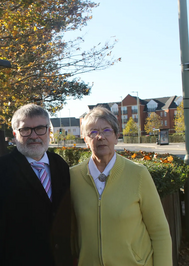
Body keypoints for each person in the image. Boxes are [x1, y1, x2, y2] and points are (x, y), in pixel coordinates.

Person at [70, 107, 172, 266]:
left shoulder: (138, 174)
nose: (100, 136)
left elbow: (159, 231)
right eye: (93, 132)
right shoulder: (73, 177)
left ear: (116, 137)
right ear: (85, 139)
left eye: (106, 130)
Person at [0, 103, 73, 266]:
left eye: (40, 128)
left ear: (49, 131)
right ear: (15, 134)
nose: (34, 136)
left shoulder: (61, 166)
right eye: (25, 130)